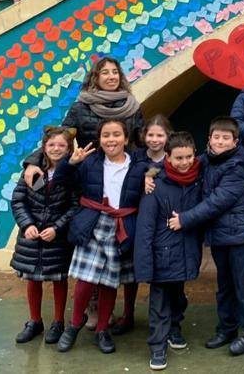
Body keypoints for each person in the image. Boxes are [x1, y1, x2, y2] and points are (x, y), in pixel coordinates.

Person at [22, 57, 145, 333]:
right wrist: (33, 160)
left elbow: (141, 141)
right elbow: (60, 138)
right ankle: (93, 307)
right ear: (95, 77)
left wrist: (146, 172)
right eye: (105, 72)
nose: (111, 76)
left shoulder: (133, 106)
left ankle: (127, 311)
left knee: (124, 254)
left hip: (123, 177)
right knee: (91, 252)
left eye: (115, 72)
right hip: (90, 177)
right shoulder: (82, 105)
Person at [57, 119, 149, 354]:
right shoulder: (89, 163)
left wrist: (152, 176)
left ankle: (101, 329)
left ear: (126, 139)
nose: (111, 139)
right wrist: (70, 163)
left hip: (121, 226)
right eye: (106, 135)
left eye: (116, 134)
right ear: (99, 139)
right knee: (86, 280)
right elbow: (61, 181)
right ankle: (75, 324)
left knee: (110, 281)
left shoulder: (137, 166)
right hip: (93, 223)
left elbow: (158, 167)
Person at [169, 117, 244, 356]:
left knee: (242, 285)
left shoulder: (238, 167)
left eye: (225, 138)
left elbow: (216, 202)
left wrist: (185, 219)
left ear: (235, 142)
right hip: (220, 235)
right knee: (225, 285)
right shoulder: (206, 161)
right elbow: (180, 164)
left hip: (238, 235)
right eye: (216, 137)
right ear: (209, 139)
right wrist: (151, 173)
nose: (220, 141)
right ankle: (227, 328)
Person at [134, 131, 204, 371]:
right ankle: (157, 345)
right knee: (160, 303)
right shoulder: (156, 185)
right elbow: (145, 228)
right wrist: (143, 266)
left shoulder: (198, 178)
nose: (184, 163)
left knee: (178, 296)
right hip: (162, 253)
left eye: (188, 157)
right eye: (178, 158)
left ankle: (175, 328)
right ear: (168, 158)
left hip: (185, 251)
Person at [11, 126, 79, 345]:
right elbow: (19, 200)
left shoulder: (72, 173)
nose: (56, 149)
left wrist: (57, 228)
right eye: (52, 145)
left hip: (57, 237)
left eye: (62, 145)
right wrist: (27, 224)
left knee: (59, 279)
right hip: (32, 236)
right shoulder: (33, 171)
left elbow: (75, 206)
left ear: (69, 148)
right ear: (44, 147)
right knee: (32, 278)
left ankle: (58, 321)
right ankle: (35, 320)